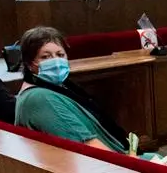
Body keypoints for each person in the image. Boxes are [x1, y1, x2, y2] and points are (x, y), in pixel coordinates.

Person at [14, 26, 137, 154]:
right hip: (107, 166)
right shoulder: (40, 98)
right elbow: (88, 146)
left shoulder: (56, 87)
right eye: (45, 57)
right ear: (29, 64)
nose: (56, 61)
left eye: (60, 55)